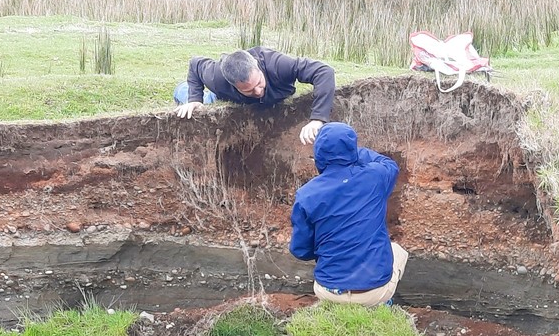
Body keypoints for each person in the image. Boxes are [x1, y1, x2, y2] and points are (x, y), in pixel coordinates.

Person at [289, 122, 408, 307]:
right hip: (374, 292)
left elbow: (300, 250)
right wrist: (351, 152)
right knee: (398, 252)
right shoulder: (374, 177)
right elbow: (388, 164)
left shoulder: (306, 194)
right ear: (353, 151)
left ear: (318, 154)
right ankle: (382, 304)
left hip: (328, 291)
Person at [172, 48, 335, 144]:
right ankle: (181, 90)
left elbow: (324, 72)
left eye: (259, 83)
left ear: (258, 67)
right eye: (249, 90)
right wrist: (194, 99)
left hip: (273, 99)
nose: (257, 92)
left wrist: (317, 119)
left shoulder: (278, 66)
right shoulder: (216, 78)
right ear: (234, 85)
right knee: (203, 99)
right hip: (224, 98)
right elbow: (195, 64)